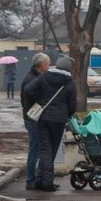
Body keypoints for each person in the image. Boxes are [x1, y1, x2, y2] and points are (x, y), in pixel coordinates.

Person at [22, 55, 78, 192]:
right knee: (50, 150)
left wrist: (37, 104)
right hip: (58, 121)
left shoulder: (45, 76)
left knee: (44, 149)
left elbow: (28, 90)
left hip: (42, 119)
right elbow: (73, 105)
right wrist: (66, 114)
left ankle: (41, 180)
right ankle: (47, 182)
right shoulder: (69, 82)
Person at [20, 53, 52, 190]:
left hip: (34, 118)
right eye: (48, 64)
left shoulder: (35, 76)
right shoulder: (31, 79)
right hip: (33, 119)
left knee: (38, 149)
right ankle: (30, 180)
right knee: (35, 149)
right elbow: (28, 102)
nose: (49, 66)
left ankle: (37, 179)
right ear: (42, 65)